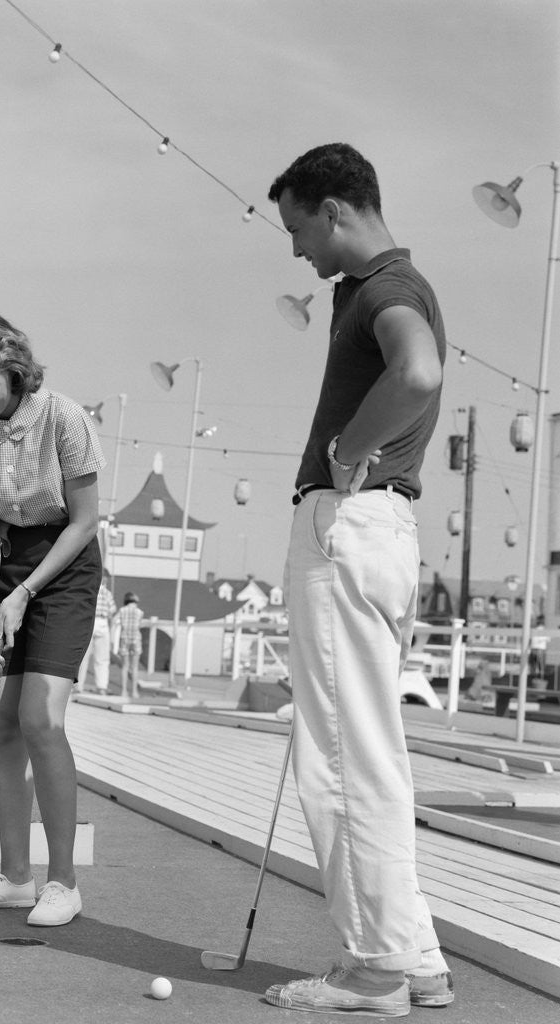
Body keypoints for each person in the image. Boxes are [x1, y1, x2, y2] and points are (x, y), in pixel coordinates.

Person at [263, 143, 451, 1016]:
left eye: (298, 227)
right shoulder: (376, 286)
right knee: (370, 750)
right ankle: (412, 957)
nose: (295, 249)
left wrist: (346, 450)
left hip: (351, 520)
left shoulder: (384, 287)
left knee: (340, 759)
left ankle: (373, 970)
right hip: (376, 526)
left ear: (335, 210)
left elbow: (417, 371)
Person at [0, 312, 104, 927]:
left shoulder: (62, 416)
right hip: (8, 561)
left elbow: (86, 520)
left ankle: (62, 884)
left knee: (39, 718)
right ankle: (14, 878)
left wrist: (27, 592)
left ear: (14, 372)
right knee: (0, 719)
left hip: (65, 565)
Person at [76, 568, 116, 693]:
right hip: (103, 623)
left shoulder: (90, 590)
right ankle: (102, 686)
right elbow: (112, 612)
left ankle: (78, 686)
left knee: (83, 657)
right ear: (105, 579)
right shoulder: (107, 593)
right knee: (102, 658)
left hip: (90, 621)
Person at [114, 592, 144, 700]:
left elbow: (114, 620)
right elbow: (139, 625)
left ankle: (123, 691)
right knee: (134, 667)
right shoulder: (140, 612)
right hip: (136, 639)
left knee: (125, 666)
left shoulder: (122, 610)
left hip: (124, 638)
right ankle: (134, 692)